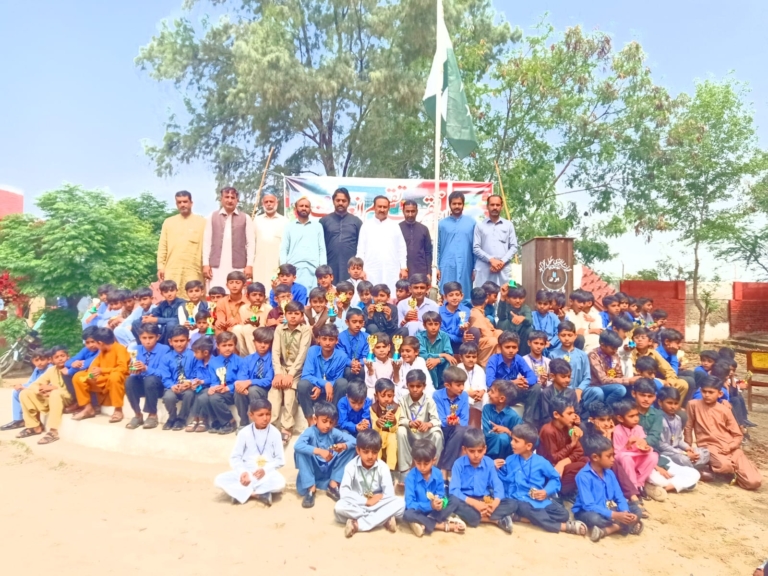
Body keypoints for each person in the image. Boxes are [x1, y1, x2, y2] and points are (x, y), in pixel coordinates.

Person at [496, 423, 586, 536]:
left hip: (537, 500)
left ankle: (519, 518)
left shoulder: (541, 462)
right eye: (512, 439)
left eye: (516, 441)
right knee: (524, 507)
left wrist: (545, 491)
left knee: (563, 515)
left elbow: (555, 478)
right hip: (517, 500)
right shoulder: (510, 459)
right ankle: (562, 527)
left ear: (528, 446)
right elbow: (502, 478)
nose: (511, 443)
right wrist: (494, 468)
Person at [684, 377, 762, 490]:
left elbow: (737, 435)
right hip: (710, 446)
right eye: (704, 391)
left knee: (754, 482)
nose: (707, 395)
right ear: (701, 391)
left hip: (731, 448)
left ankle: (733, 471)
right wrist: (688, 448)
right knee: (724, 465)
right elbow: (688, 427)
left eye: (711, 392)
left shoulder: (725, 410)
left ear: (720, 394)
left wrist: (731, 446)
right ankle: (722, 469)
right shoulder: (693, 405)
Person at [572, 433, 643, 542]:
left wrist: (625, 512)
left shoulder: (610, 473)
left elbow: (619, 496)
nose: (613, 459)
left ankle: (609, 529)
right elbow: (588, 505)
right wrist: (615, 515)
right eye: (609, 456)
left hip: (608, 508)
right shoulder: (583, 476)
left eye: (613, 455)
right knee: (594, 519)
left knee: (636, 510)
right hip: (588, 511)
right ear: (595, 457)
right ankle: (624, 526)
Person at [214, 398, 286, 506]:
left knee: (280, 483)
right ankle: (258, 494)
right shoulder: (244, 433)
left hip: (266, 474)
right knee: (219, 479)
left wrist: (265, 470)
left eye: (268, 414)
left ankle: (241, 493)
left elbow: (280, 460)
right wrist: (243, 472)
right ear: (251, 415)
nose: (265, 418)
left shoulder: (275, 433)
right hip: (247, 472)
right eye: (260, 415)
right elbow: (235, 457)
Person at [334, 428, 405, 537]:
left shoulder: (383, 467)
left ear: (378, 451)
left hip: (378, 504)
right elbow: (344, 492)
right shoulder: (350, 466)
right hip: (358, 504)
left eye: (374, 452)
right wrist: (366, 501)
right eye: (366, 452)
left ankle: (357, 524)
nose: (370, 456)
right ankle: (384, 519)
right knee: (339, 507)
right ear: (358, 450)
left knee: (401, 504)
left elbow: (389, 495)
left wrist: (376, 500)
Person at [448, 428, 515, 533]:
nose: (476, 455)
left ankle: (474, 516)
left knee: (512, 503)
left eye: (480, 451)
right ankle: (495, 519)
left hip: (484, 500)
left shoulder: (489, 463)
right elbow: (454, 490)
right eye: (472, 451)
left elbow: (497, 485)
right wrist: (474, 503)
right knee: (452, 501)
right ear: (464, 449)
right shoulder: (458, 464)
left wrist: (494, 504)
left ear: (485, 449)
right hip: (466, 500)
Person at [294, 401, 357, 508]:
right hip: (313, 470)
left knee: (350, 448)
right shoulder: (310, 431)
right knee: (300, 451)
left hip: (329, 469)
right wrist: (319, 451)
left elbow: (355, 441)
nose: (328, 425)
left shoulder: (333, 432)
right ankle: (311, 489)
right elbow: (297, 445)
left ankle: (333, 484)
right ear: (315, 419)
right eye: (324, 421)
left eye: (331, 422)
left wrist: (343, 445)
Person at [271, 301, 312, 445]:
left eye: (296, 313)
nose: (293, 316)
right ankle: (270, 426)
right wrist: (278, 373)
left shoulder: (305, 330)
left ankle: (286, 428)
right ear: (285, 314)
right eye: (289, 313)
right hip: (282, 367)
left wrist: (291, 374)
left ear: (302, 316)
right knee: (275, 390)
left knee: (289, 392)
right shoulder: (279, 329)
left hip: (298, 369)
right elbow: (275, 352)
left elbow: (302, 354)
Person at [404, 439, 465, 536]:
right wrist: (429, 506)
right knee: (407, 514)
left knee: (454, 500)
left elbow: (441, 494)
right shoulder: (410, 477)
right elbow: (410, 503)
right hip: (419, 510)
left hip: (435, 511)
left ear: (434, 460)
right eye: (418, 463)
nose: (422, 467)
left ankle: (424, 522)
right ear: (414, 461)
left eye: (426, 463)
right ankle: (440, 525)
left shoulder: (438, 473)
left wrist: (440, 502)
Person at [71, 328, 130, 423]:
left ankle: (118, 410)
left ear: (100, 343)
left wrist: (102, 370)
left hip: (116, 380)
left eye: (95, 343)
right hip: (102, 379)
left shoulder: (120, 349)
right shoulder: (102, 351)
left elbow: (122, 368)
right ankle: (88, 408)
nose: (95, 346)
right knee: (79, 377)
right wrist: (91, 375)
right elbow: (93, 367)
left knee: (115, 376)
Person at [15, 346, 72, 445]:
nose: (60, 359)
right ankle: (34, 427)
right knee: (25, 393)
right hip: (53, 398)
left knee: (55, 393)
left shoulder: (73, 368)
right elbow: (34, 385)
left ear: (68, 357)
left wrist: (53, 388)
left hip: (68, 399)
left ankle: (53, 431)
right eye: (56, 357)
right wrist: (41, 390)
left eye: (62, 356)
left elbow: (71, 391)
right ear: (52, 360)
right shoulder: (52, 370)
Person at [157, 190, 207, 299]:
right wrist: (160, 266)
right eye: (179, 202)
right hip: (173, 269)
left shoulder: (202, 222)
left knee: (194, 297)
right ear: (176, 204)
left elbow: (207, 247)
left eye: (185, 201)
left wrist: (206, 265)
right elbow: (163, 246)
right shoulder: (168, 222)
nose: (182, 204)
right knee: (172, 297)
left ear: (191, 203)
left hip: (194, 269)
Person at [203, 187, 255, 290]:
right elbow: (207, 242)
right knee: (217, 293)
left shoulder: (245, 218)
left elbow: (251, 243)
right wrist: (205, 264)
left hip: (238, 266)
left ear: (237, 200)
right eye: (227, 197)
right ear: (221, 199)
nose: (230, 200)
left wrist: (249, 265)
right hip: (216, 266)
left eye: (233, 197)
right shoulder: (212, 217)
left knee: (237, 292)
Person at [297, 324, 350, 422]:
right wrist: (324, 384)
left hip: (330, 395)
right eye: (324, 339)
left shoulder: (342, 356)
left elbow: (337, 380)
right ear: (318, 339)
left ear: (336, 341)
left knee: (342, 383)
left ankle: (333, 419)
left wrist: (322, 388)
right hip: (314, 393)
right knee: (302, 384)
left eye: (331, 339)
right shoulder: (312, 351)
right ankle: (310, 420)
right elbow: (306, 375)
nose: (327, 343)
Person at [356, 195, 407, 294]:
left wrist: (403, 268)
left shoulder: (394, 226)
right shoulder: (366, 226)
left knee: (390, 295)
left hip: (391, 270)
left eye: (385, 207)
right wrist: (360, 269)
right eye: (379, 206)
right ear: (374, 207)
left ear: (388, 208)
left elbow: (401, 248)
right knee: (371, 295)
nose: (382, 209)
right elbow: (361, 250)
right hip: (371, 270)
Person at [537, 397, 588, 496]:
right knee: (582, 466)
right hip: (551, 468)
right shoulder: (548, 431)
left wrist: (563, 462)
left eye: (573, 413)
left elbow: (579, 451)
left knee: (587, 460)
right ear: (556, 414)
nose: (574, 416)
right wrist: (572, 444)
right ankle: (560, 492)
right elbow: (554, 458)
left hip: (562, 463)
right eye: (569, 413)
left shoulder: (568, 427)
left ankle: (571, 489)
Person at [124, 323, 170, 430]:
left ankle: (152, 415)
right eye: (144, 338)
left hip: (158, 386)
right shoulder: (136, 349)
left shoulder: (164, 349)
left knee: (150, 380)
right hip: (143, 384)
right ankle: (137, 414)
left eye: (151, 337)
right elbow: (133, 372)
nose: (147, 341)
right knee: (130, 380)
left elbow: (164, 373)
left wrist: (146, 368)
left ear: (157, 337)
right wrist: (134, 371)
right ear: (139, 338)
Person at [397, 370, 443, 473]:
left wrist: (428, 424)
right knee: (400, 430)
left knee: (437, 433)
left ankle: (433, 466)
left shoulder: (429, 400)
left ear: (424, 386)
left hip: (424, 434)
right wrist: (409, 423)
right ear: (407, 385)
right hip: (410, 434)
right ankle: (405, 469)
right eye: (412, 386)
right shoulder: (402, 400)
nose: (415, 389)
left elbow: (436, 420)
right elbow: (400, 419)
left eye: (418, 386)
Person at [484, 332, 537, 421]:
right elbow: (490, 381)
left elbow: (533, 377)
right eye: (507, 347)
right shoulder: (494, 359)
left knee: (536, 388)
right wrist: (511, 383)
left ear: (518, 348)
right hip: (500, 394)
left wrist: (524, 382)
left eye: (514, 347)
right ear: (500, 347)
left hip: (515, 393)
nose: (511, 350)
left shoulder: (518, 359)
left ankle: (528, 421)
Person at [196, 331, 242, 434]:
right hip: (220, 389)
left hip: (232, 391)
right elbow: (214, 380)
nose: (227, 348)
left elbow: (240, 381)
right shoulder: (214, 362)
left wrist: (228, 388)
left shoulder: (240, 361)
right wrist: (213, 388)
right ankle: (217, 421)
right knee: (203, 397)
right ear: (218, 346)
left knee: (215, 398)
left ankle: (230, 421)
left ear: (235, 345)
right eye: (224, 345)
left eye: (230, 345)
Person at [612, 399, 659, 497]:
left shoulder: (639, 429)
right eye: (631, 416)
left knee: (653, 456)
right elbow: (617, 454)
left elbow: (645, 446)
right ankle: (633, 486)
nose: (636, 419)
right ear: (620, 418)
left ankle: (640, 484)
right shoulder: (617, 430)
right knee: (626, 458)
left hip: (638, 458)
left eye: (637, 415)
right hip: (625, 460)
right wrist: (627, 445)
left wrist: (645, 447)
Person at [657, 386, 710, 472]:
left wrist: (687, 448)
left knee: (705, 452)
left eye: (676, 403)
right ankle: (694, 468)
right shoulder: (657, 419)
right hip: (666, 453)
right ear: (660, 402)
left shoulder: (677, 418)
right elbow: (662, 446)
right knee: (683, 459)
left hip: (678, 451)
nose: (673, 406)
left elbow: (678, 440)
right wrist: (684, 453)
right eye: (669, 403)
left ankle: (690, 466)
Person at [548, 320, 597, 409]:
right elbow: (551, 377)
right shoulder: (553, 355)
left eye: (570, 335)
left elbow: (587, 377)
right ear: (558, 336)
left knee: (597, 392)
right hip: (561, 390)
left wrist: (579, 390)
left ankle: (583, 411)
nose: (566, 338)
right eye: (563, 335)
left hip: (579, 389)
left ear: (575, 336)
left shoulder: (582, 355)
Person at [280, 197, 327, 289]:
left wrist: (323, 269)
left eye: (306, 206)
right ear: (296, 208)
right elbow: (284, 249)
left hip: (313, 269)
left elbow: (322, 249)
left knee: (313, 295)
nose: (304, 208)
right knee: (295, 296)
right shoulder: (289, 227)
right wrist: (284, 268)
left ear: (310, 209)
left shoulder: (317, 226)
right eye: (301, 206)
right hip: (293, 269)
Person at [233, 327, 274, 430]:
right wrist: (243, 386)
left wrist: (249, 382)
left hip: (266, 391)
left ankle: (259, 423)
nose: (262, 345)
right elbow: (242, 377)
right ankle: (243, 422)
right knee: (239, 390)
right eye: (259, 342)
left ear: (270, 344)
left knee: (253, 390)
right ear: (254, 342)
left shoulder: (273, 359)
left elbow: (268, 380)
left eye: (266, 343)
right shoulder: (247, 359)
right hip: (249, 390)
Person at [438, 191, 476, 302]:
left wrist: (475, 268)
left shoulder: (471, 223)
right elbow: (438, 247)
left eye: (459, 204)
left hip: (466, 265)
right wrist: (437, 267)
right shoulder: (442, 224)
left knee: (465, 294)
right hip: (447, 265)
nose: (457, 206)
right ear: (450, 204)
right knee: (447, 293)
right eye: (454, 204)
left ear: (463, 204)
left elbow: (475, 247)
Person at [472, 195, 518, 288]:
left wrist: (501, 262)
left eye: (497, 205)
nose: (495, 207)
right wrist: (491, 260)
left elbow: (514, 247)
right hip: (484, 268)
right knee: (482, 294)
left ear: (502, 206)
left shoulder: (508, 225)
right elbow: (476, 248)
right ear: (487, 206)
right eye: (492, 205)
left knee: (506, 293)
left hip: (503, 269)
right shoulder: (480, 226)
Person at [631, 327, 688, 399]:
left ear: (650, 341)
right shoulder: (630, 354)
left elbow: (667, 369)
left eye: (643, 337)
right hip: (638, 381)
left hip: (653, 379)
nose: (639, 340)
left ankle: (672, 405)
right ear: (632, 340)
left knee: (683, 384)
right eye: (636, 338)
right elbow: (634, 372)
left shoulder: (654, 353)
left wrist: (670, 380)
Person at [319, 187, 363, 283]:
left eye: (344, 201)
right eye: (338, 200)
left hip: (351, 267)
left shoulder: (356, 222)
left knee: (349, 290)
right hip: (330, 264)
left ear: (348, 202)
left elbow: (361, 246)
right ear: (333, 201)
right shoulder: (324, 221)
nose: (340, 203)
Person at [1, 348, 51, 431]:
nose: (39, 363)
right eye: (36, 360)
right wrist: (21, 385)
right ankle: (18, 420)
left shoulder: (50, 369)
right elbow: (31, 382)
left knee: (24, 392)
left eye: (42, 360)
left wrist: (26, 388)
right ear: (33, 361)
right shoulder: (37, 369)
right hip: (34, 390)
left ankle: (34, 423)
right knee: (16, 392)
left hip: (44, 394)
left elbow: (45, 386)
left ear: (48, 360)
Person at [160, 326, 198, 431]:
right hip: (173, 386)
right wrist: (172, 386)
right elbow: (165, 377)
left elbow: (197, 373)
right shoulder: (166, 358)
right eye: (176, 341)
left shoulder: (194, 355)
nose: (179, 344)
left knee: (189, 394)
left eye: (182, 340)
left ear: (188, 340)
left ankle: (181, 419)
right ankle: (172, 418)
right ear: (170, 342)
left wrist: (190, 382)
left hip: (188, 387)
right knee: (168, 397)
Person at [434, 366, 470, 473]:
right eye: (458, 385)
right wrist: (448, 421)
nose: (462, 388)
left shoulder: (464, 396)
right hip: (443, 428)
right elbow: (440, 419)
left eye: (463, 384)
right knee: (454, 432)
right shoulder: (437, 395)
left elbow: (464, 420)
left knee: (461, 431)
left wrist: (457, 422)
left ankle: (445, 469)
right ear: (447, 385)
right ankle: (446, 470)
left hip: (458, 429)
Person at [587, 330, 638, 405]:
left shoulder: (614, 354)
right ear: (602, 345)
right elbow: (603, 380)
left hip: (612, 384)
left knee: (634, 386)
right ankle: (607, 407)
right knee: (621, 389)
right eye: (613, 348)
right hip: (597, 386)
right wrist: (628, 380)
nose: (615, 351)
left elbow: (619, 375)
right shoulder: (593, 355)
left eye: (617, 348)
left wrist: (631, 381)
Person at [253, 193, 289, 288]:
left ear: (276, 203)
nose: (269, 204)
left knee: (276, 288)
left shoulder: (284, 221)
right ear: (262, 204)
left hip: (277, 262)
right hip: (259, 262)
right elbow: (252, 243)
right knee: (259, 288)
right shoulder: (257, 220)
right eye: (266, 202)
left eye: (271, 201)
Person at [135, 280, 186, 344]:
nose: (169, 294)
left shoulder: (182, 303)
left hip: (177, 329)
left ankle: (167, 347)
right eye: (166, 292)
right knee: (136, 322)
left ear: (176, 290)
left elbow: (176, 320)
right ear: (162, 294)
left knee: (171, 324)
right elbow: (155, 313)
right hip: (163, 329)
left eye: (172, 291)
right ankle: (144, 345)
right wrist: (147, 317)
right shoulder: (163, 304)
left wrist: (156, 320)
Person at [482, 380, 522, 460]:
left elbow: (521, 437)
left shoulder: (513, 416)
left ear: (502, 399)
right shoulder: (487, 409)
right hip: (488, 445)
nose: (488, 393)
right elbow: (486, 433)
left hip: (506, 453)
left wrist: (508, 431)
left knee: (503, 438)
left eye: (492, 392)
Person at [416, 311, 455, 387]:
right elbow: (422, 354)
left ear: (440, 325)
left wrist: (438, 360)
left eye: (436, 324)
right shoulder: (419, 336)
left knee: (449, 361)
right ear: (424, 325)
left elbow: (449, 354)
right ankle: (431, 387)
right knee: (429, 362)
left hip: (441, 367)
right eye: (430, 324)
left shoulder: (444, 336)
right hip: (426, 366)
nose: (433, 327)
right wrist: (442, 355)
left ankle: (445, 386)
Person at [537, 358, 579, 428]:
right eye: (563, 377)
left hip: (569, 425)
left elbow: (577, 412)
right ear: (552, 376)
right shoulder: (546, 393)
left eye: (569, 376)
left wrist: (576, 418)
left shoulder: (571, 393)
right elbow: (545, 416)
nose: (567, 380)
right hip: (552, 426)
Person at [370, 378, 400, 472]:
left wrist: (393, 421)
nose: (386, 399)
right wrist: (378, 423)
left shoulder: (396, 408)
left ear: (393, 396)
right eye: (383, 396)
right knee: (377, 439)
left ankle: (390, 468)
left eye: (389, 396)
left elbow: (395, 429)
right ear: (376, 396)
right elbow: (374, 429)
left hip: (391, 434)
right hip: (379, 433)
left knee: (392, 439)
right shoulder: (374, 408)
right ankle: (376, 465)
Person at [234, 282, 271, 355]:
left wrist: (256, 325)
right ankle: (244, 356)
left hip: (263, 336)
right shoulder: (243, 308)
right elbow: (243, 326)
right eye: (254, 295)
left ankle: (255, 356)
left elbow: (267, 328)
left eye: (260, 295)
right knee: (236, 328)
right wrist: (249, 323)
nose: (258, 298)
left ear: (264, 297)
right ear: (247, 296)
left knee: (248, 328)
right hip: (247, 335)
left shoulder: (268, 308)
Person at [399, 200, 433, 279]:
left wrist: (429, 272)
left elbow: (428, 252)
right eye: (407, 211)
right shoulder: (398, 228)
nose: (410, 214)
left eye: (413, 211)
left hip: (421, 270)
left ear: (417, 211)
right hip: (403, 271)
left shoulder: (424, 229)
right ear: (403, 211)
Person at [468, 287, 502, 367]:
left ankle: (498, 361)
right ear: (486, 300)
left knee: (499, 333)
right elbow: (486, 334)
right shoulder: (476, 314)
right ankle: (484, 364)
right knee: (493, 340)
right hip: (478, 342)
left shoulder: (479, 312)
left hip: (484, 339)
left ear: (471, 301)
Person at [457, 342, 487, 427]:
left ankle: (483, 427)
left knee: (486, 397)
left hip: (477, 398)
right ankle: (463, 425)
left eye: (474, 357)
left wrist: (481, 393)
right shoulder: (458, 368)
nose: (471, 359)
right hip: (464, 395)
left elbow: (483, 386)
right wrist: (468, 393)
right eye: (468, 357)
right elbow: (457, 387)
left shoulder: (479, 369)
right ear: (461, 358)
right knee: (463, 397)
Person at [439, 282, 474, 354]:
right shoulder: (439, 311)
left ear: (462, 296)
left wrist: (462, 329)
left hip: (460, 343)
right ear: (445, 297)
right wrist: (460, 339)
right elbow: (442, 333)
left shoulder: (465, 310)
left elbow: (461, 327)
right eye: (451, 295)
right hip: (444, 342)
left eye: (457, 295)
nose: (454, 298)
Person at [337, 308, 369, 382]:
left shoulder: (367, 337)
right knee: (348, 371)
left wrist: (358, 363)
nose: (358, 325)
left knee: (361, 370)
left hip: (361, 365)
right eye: (354, 322)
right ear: (347, 322)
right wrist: (351, 363)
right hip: (346, 365)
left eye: (360, 322)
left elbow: (366, 356)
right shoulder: (340, 337)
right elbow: (341, 356)